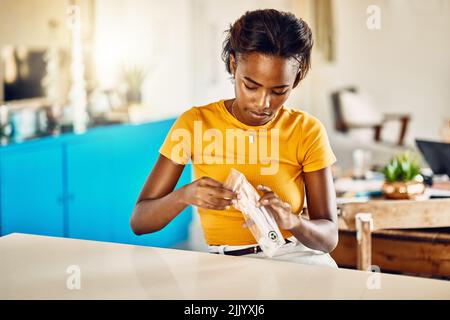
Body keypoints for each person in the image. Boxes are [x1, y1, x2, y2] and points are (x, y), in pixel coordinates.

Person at [130, 9, 338, 268]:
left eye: (279, 91)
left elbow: (329, 238)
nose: (263, 103)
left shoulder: (307, 130)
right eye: (250, 86)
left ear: (296, 79)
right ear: (233, 64)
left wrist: (294, 222)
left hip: (297, 258)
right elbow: (140, 222)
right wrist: (184, 195)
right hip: (225, 264)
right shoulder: (195, 124)